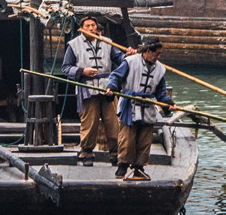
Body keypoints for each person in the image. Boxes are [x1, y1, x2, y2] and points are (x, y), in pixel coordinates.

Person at [61, 16, 128, 167]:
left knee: (113, 122)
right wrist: (82, 70)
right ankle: (87, 152)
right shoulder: (73, 45)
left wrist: (128, 56)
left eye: (93, 25)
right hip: (87, 88)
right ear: (82, 28)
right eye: (88, 26)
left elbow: (120, 58)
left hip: (107, 87)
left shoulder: (107, 43)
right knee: (89, 123)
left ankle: (115, 154)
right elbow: (65, 68)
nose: (91, 28)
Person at [106, 36, 173, 182]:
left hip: (147, 107)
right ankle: (123, 164)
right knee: (127, 139)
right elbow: (115, 77)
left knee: (144, 140)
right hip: (130, 105)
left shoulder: (160, 69)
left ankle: (139, 167)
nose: (158, 57)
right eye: (157, 53)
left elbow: (161, 92)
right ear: (148, 51)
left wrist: (168, 103)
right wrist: (111, 88)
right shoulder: (130, 62)